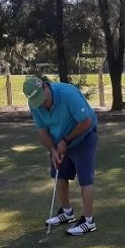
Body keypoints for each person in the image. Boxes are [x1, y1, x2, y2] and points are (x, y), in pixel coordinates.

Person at [23, 76, 98, 235]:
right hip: (59, 140)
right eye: (37, 102)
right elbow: (42, 131)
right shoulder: (34, 103)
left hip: (84, 136)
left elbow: (86, 122)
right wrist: (53, 150)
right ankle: (67, 212)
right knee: (59, 174)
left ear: (45, 87)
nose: (42, 104)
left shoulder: (67, 93)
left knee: (85, 179)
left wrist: (66, 140)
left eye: (42, 99)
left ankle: (89, 221)